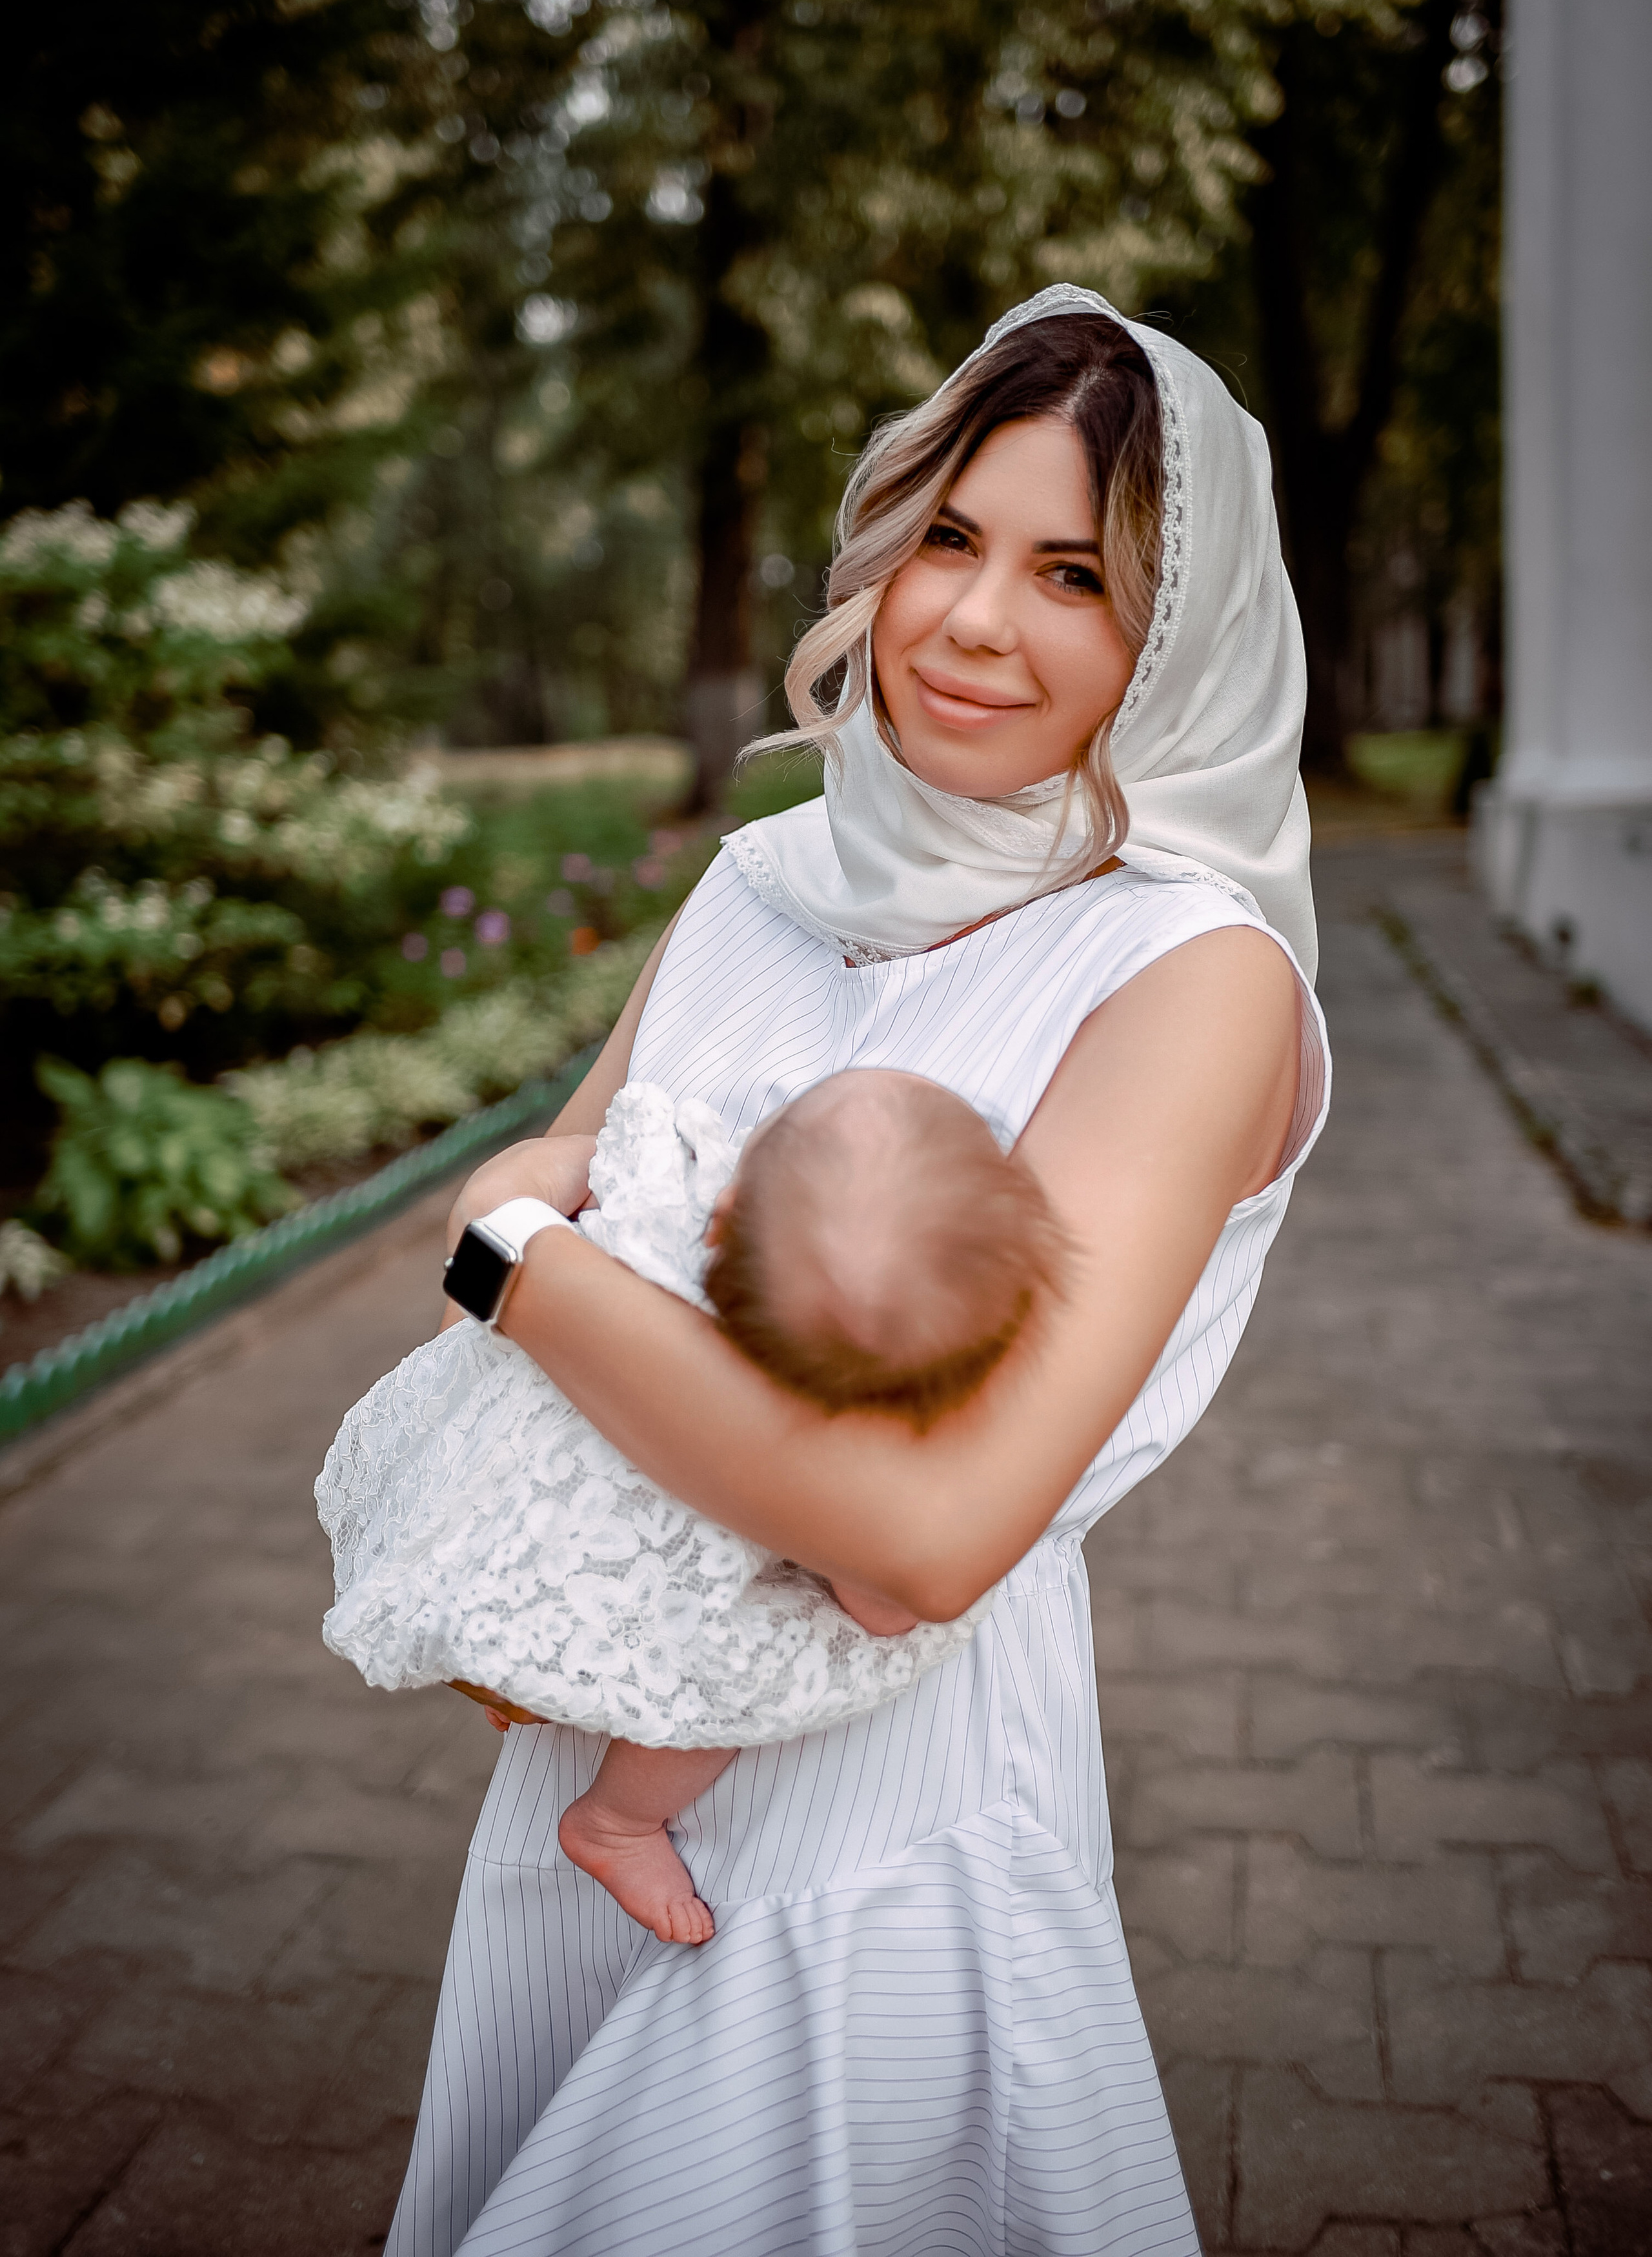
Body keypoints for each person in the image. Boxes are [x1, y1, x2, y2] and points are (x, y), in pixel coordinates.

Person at [383, 286, 1330, 2257]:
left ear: (1182, 641)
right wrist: (536, 1240)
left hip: (868, 1812)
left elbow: (916, 1540)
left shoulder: (1192, 977)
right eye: (952, 539)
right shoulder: (772, 874)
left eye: (1077, 573)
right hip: (587, 1735)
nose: (975, 620)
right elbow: (565, 1160)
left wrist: (523, 1278)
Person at [316, 1070, 1065, 1947]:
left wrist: (508, 1199)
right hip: (613, 1576)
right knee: (755, 1669)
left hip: (511, 1526)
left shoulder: (653, 1207)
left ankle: (514, 1652)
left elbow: (540, 1198)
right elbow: (886, 1606)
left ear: (725, 1212)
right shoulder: (837, 1439)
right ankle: (617, 1820)